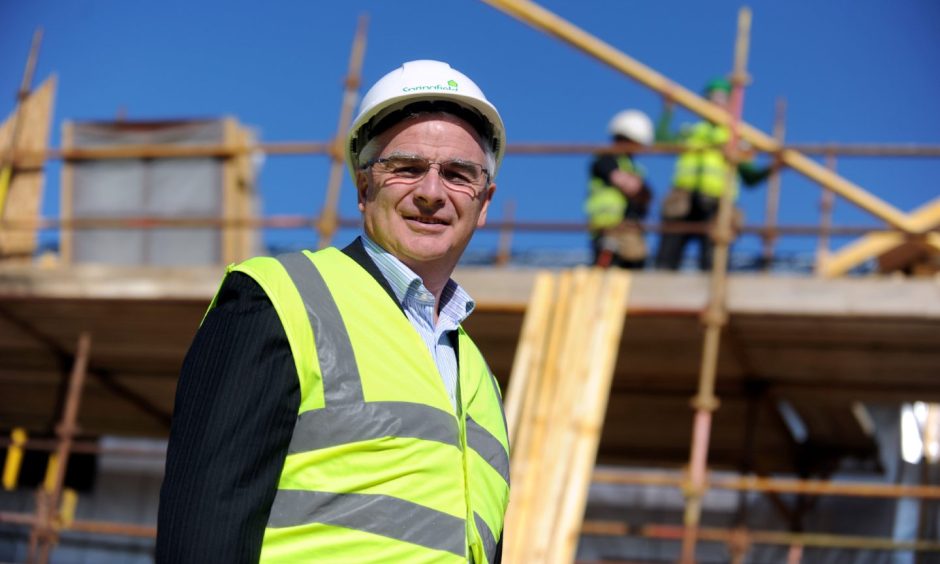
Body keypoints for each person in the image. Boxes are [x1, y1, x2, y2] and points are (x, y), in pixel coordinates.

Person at [157, 60, 510, 564]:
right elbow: (205, 528)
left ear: (485, 201)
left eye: (458, 175)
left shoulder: (480, 380)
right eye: (407, 168)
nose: (432, 193)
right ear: (365, 188)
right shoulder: (278, 299)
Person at [653, 77, 773, 271]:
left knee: (713, 261)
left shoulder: (736, 138)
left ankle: (711, 294)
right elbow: (661, 141)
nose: (716, 102)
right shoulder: (691, 131)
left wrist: (774, 167)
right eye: (712, 98)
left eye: (722, 98)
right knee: (668, 256)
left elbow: (750, 178)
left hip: (718, 203)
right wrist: (668, 109)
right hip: (683, 199)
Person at [584, 109, 654, 269]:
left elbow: (646, 194)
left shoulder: (632, 167)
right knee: (605, 268)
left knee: (635, 266)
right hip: (608, 226)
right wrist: (636, 186)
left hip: (630, 228)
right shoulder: (604, 159)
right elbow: (631, 186)